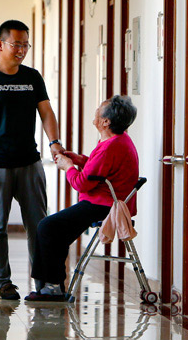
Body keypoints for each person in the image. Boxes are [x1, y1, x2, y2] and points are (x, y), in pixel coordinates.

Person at [0, 19, 65, 301]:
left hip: (29, 162)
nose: (21, 50)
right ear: (1, 44)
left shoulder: (32, 77)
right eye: (16, 44)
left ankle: (43, 281)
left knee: (39, 225)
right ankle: (3, 283)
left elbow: (46, 112)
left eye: (25, 45)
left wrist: (54, 143)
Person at [25, 95, 139, 302]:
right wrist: (79, 160)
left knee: (47, 226)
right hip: (104, 202)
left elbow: (81, 183)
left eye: (99, 109)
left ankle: (50, 287)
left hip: (102, 206)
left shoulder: (110, 147)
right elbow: (101, 171)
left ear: (106, 121)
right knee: (57, 230)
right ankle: (52, 286)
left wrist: (68, 167)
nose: (96, 111)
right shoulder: (119, 140)